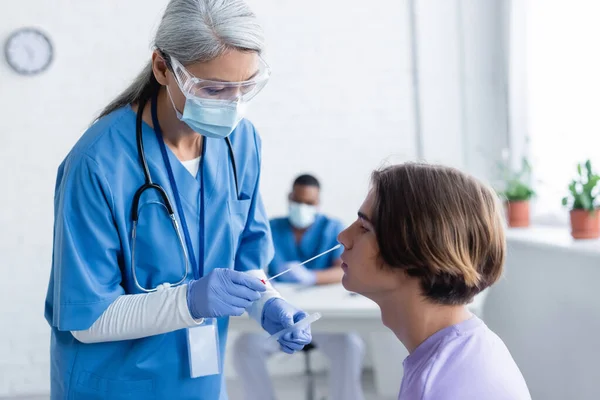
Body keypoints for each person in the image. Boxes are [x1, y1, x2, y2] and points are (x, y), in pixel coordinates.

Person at [43, 1, 312, 399]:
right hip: (114, 385)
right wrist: (189, 300)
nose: (232, 104)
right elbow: (88, 317)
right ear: (162, 68)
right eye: (213, 88)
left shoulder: (241, 143)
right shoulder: (98, 162)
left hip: (199, 382)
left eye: (245, 87)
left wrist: (266, 303)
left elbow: (246, 264)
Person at [337, 163, 532, 400]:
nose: (343, 237)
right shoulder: (467, 348)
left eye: (364, 227)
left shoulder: (436, 386)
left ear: (415, 250)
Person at [233, 174, 365, 400]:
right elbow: (254, 264)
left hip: (323, 319)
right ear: (289, 198)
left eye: (309, 203)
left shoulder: (332, 227)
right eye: (298, 201)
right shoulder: (272, 227)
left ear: (318, 204)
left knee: (350, 346)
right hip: (280, 317)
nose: (302, 207)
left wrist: (311, 277)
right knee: (244, 348)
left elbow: (342, 268)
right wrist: (263, 280)